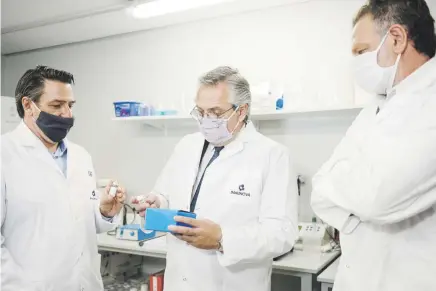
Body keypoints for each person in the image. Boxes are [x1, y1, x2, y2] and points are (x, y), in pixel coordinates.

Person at [133, 66, 298, 291]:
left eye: (216, 112)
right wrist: (155, 204)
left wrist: (223, 239)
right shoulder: (186, 145)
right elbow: (165, 195)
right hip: (179, 281)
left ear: (242, 111)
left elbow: (282, 233)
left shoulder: (272, 155)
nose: (206, 120)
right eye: (201, 112)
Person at [311, 1, 436, 291]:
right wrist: (358, 208)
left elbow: (377, 198)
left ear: (397, 39)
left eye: (360, 51)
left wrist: (352, 200)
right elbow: (320, 189)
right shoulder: (378, 103)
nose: (355, 62)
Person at [1, 65, 126, 291]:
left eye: (70, 105)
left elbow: (79, 222)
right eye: (57, 105)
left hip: (85, 283)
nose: (67, 114)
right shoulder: (5, 155)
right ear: (28, 105)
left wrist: (104, 211)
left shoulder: (81, 156)